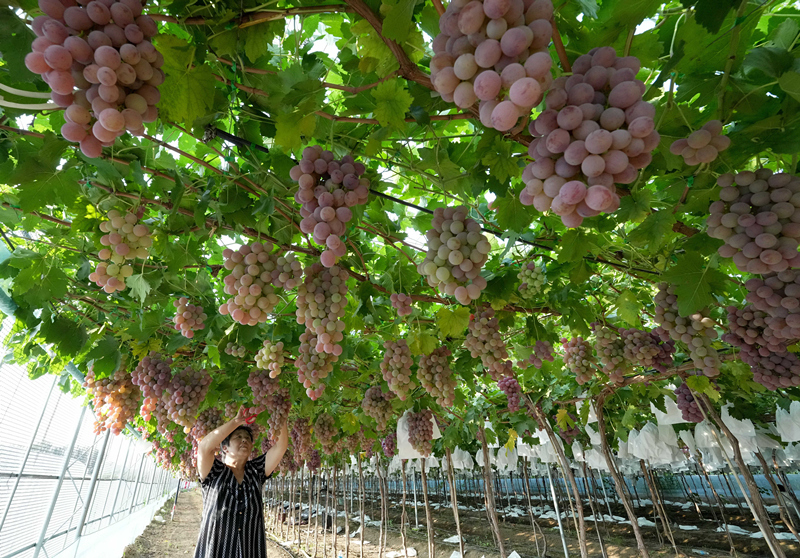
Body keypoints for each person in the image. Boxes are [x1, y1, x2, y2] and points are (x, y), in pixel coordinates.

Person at [193, 407, 289, 558]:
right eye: (238, 436)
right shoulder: (214, 471)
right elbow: (204, 447)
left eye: (248, 438)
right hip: (217, 551)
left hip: (249, 550)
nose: (244, 439)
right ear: (224, 448)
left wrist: (280, 412)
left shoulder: (256, 471)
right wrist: (236, 422)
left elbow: (280, 447)